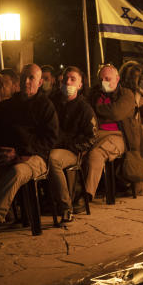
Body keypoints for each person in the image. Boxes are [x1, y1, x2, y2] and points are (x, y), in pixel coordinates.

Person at [0, 64, 59, 254]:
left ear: (40, 82)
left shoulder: (46, 107)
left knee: (16, 173)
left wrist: (20, 153)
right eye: (24, 77)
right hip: (9, 155)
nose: (27, 82)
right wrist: (2, 153)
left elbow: (49, 139)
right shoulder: (8, 106)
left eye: (31, 78)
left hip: (34, 157)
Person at [83, 64, 143, 199]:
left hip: (119, 135)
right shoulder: (94, 94)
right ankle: (72, 192)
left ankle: (86, 194)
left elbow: (116, 113)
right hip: (96, 133)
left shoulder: (126, 94)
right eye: (102, 79)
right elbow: (86, 113)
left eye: (108, 79)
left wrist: (97, 110)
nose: (104, 82)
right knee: (79, 151)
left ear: (117, 79)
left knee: (96, 154)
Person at [48, 66, 96, 220]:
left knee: (53, 159)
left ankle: (65, 206)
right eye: (66, 78)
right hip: (53, 145)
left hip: (73, 150)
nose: (68, 82)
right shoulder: (53, 103)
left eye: (73, 79)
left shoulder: (84, 109)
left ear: (80, 85)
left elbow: (91, 138)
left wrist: (70, 145)